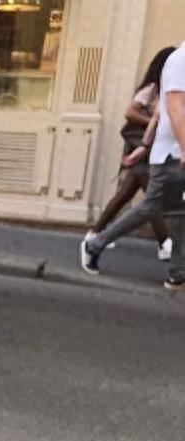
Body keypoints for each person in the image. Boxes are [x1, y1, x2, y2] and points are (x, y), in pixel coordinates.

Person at [81, 41, 185, 290]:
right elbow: (172, 107)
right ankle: (94, 244)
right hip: (172, 154)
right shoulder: (180, 60)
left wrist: (144, 146)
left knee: (179, 214)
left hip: (171, 151)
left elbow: (159, 113)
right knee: (150, 206)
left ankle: (177, 272)